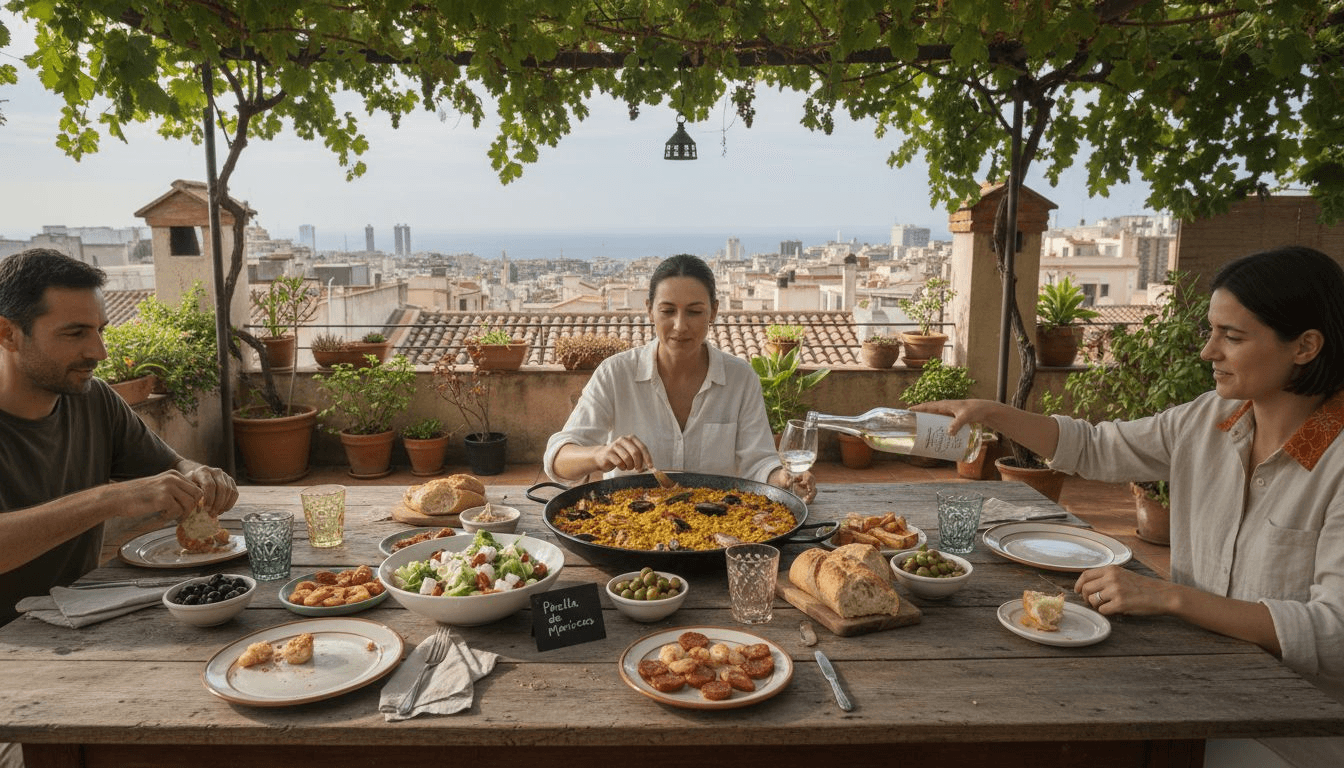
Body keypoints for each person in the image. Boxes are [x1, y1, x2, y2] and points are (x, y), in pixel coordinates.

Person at [915, 245, 1344, 767]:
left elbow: (1334, 632)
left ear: (1305, 346)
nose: (1208, 352)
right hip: (1188, 689)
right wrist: (992, 413)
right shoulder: (1209, 418)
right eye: (1211, 331)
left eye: (1232, 337)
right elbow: (1099, 447)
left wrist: (1169, 597)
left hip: (1292, 733)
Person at [0, 249, 238, 626]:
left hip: (82, 615)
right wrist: (110, 498)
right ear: (7, 334)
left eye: (101, 330)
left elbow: (172, 467)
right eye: (75, 333)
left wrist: (198, 475)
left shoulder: (94, 399)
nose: (100, 352)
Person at [544, 254, 815, 501]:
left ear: (714, 311)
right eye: (667, 311)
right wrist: (599, 454)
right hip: (626, 524)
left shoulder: (740, 378)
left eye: (694, 312)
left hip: (721, 524)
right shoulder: (615, 373)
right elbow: (557, 459)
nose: (680, 325)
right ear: (650, 310)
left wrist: (785, 478)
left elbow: (759, 463)